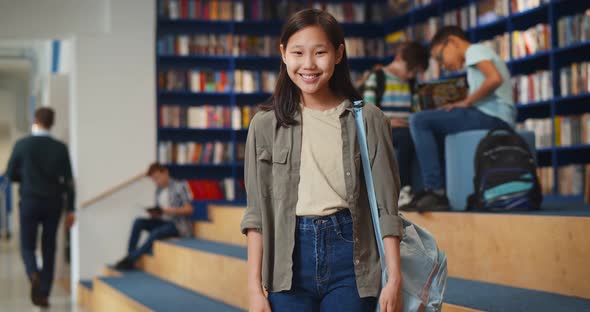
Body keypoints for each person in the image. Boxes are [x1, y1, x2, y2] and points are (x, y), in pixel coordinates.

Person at [240, 9, 403, 312]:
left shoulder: (368, 119)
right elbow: (256, 215)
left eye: (320, 52)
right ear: (283, 54)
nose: (308, 65)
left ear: (339, 53)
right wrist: (254, 288)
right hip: (286, 266)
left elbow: (386, 208)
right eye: (298, 53)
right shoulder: (264, 125)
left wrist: (394, 279)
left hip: (352, 259)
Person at [403, 26, 516, 211]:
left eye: (439, 57)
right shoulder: (478, 53)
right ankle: (440, 190)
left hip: (493, 116)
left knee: (419, 120)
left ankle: (435, 191)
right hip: (492, 116)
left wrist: (467, 102)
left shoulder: (474, 50)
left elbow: (494, 79)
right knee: (434, 127)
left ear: (453, 42)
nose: (442, 65)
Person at [4, 107, 76, 308]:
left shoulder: (22, 145)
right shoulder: (60, 148)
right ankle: (44, 292)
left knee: (27, 244)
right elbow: (69, 181)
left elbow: (10, 174)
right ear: (52, 123)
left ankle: (32, 272)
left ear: (35, 120)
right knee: (49, 246)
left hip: (30, 201)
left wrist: (25, 179)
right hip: (53, 202)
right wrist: (71, 209)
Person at [362, 41, 429, 203]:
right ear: (399, 59)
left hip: (406, 128)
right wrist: (390, 122)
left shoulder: (412, 84)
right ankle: (404, 188)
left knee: (420, 137)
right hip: (381, 129)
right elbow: (367, 114)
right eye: (411, 70)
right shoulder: (377, 78)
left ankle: (422, 191)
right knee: (406, 138)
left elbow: (416, 112)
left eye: (416, 72)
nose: (412, 75)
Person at [114, 163, 193, 270]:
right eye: (154, 180)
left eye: (157, 178)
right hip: (163, 221)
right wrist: (155, 214)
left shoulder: (180, 186)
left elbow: (189, 209)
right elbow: (161, 211)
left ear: (165, 173)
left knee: (156, 233)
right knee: (138, 222)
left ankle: (130, 260)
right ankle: (130, 257)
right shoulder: (159, 190)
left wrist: (171, 211)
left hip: (177, 225)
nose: (156, 182)